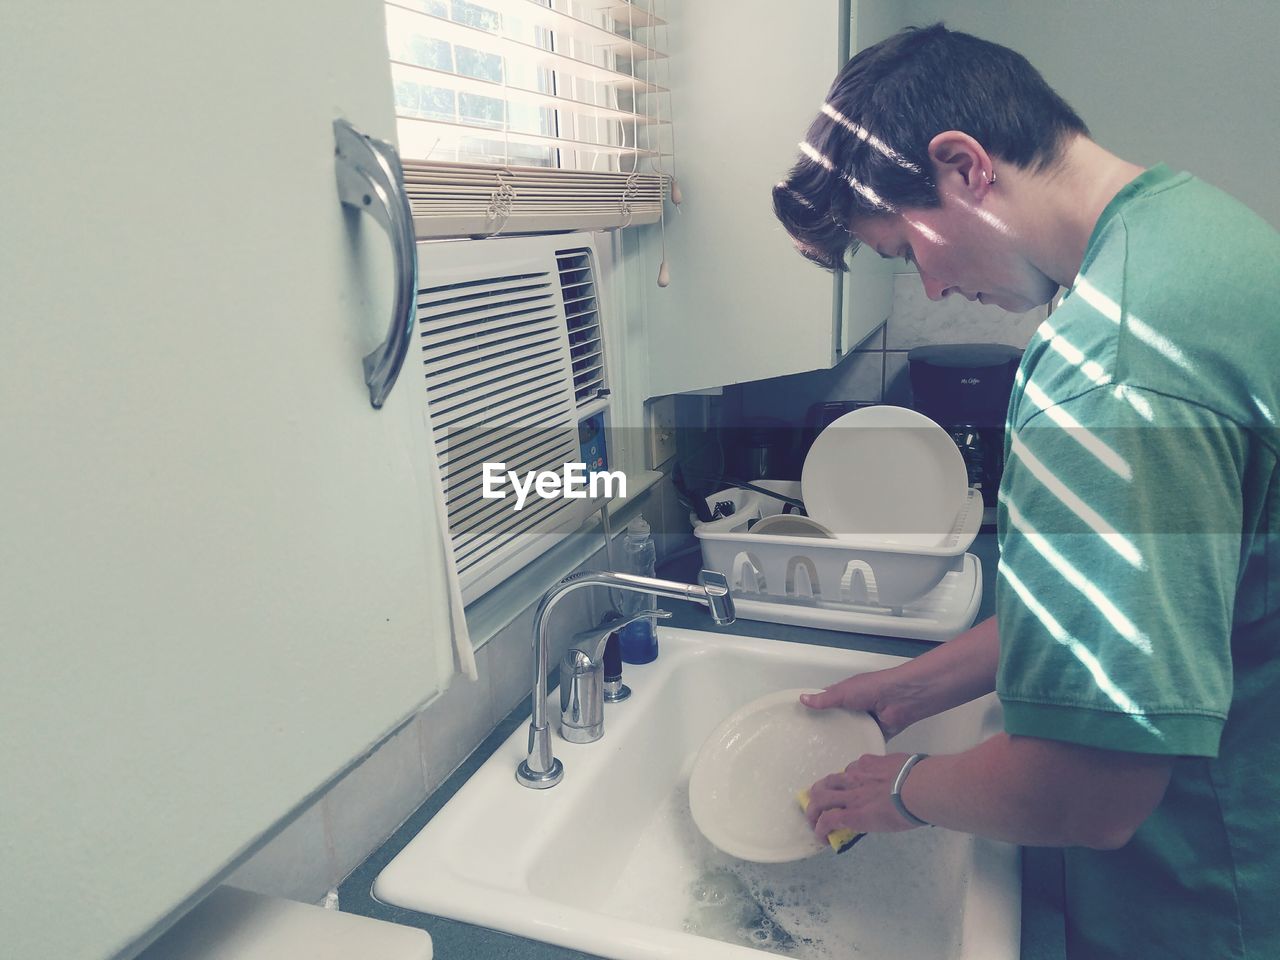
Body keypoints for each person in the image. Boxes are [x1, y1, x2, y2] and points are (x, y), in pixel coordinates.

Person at [772, 23, 1280, 960]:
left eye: (906, 246)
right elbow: (1145, 601)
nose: (929, 282)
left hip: (1215, 884)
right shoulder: (1187, 233)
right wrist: (918, 685)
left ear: (964, 166)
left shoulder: (1107, 375)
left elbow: (1092, 791)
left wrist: (903, 789)